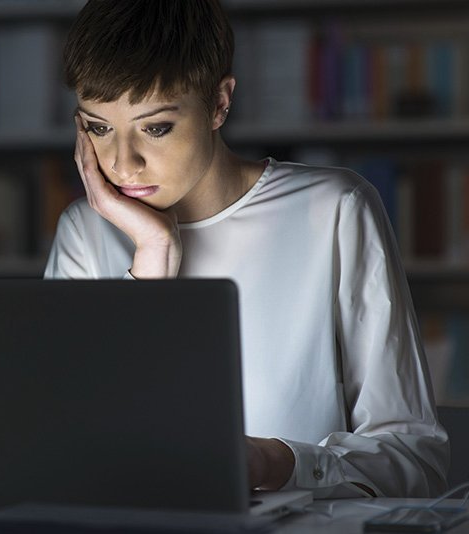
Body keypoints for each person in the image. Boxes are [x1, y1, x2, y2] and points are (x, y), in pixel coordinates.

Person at [44, 0, 449, 499]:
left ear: (219, 103)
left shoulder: (336, 209)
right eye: (99, 128)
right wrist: (151, 258)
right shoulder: (86, 231)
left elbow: (415, 460)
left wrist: (275, 462)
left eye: (155, 127)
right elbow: (64, 446)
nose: (123, 164)